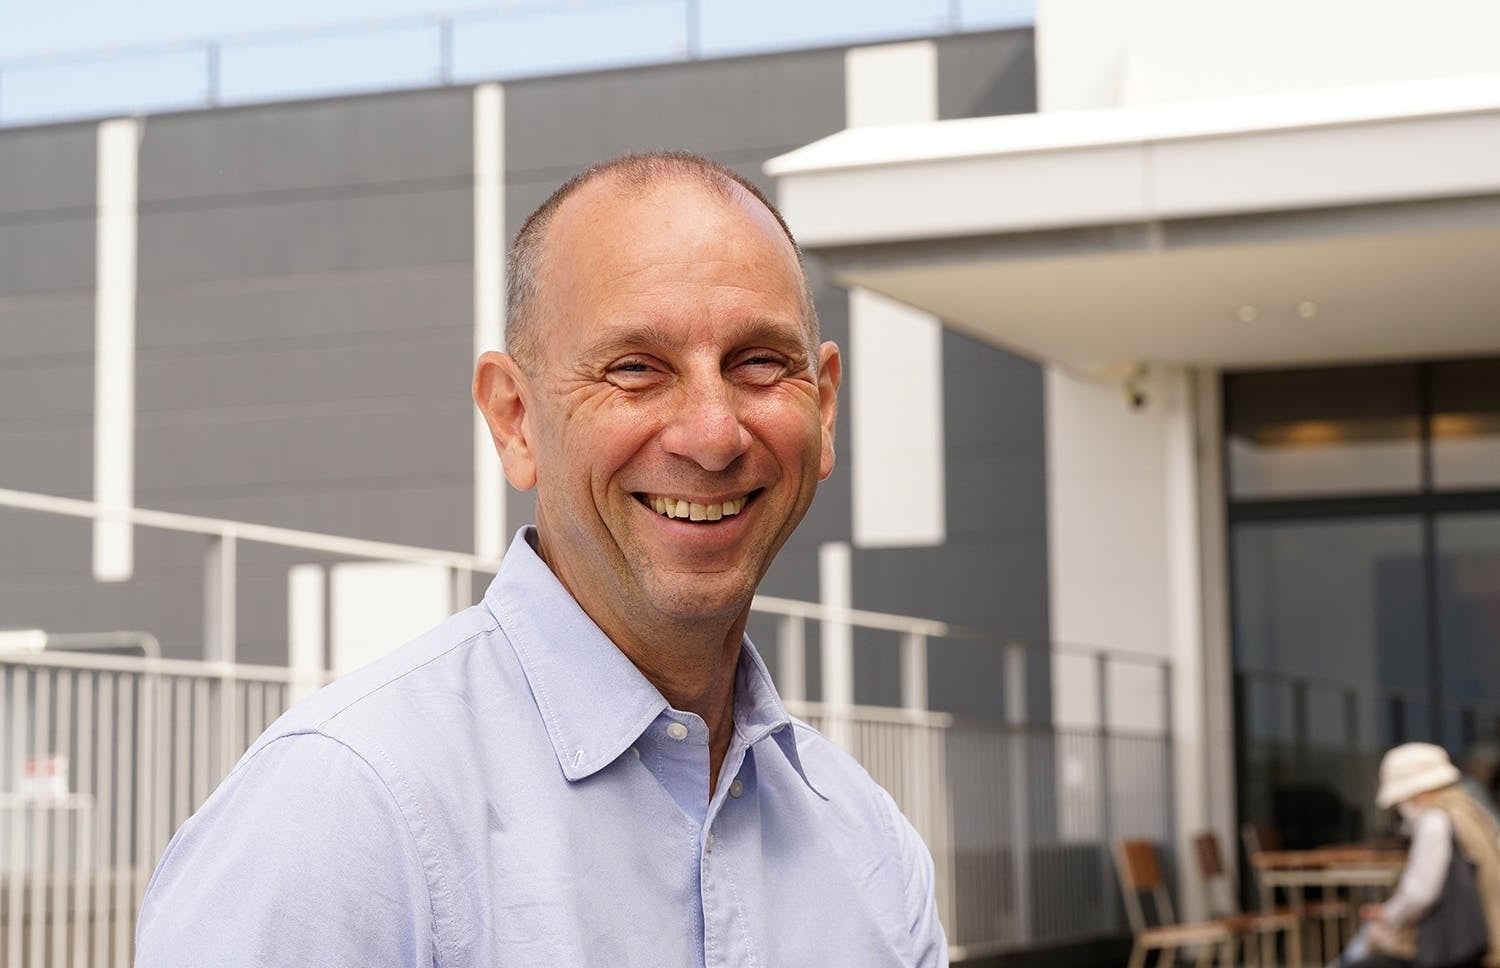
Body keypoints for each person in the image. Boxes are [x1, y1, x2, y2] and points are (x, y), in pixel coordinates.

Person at [134, 151, 948, 967]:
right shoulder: (345, 814)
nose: (713, 435)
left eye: (760, 363)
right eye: (636, 369)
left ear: (824, 406)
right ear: (514, 419)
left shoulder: (870, 850)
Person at [1341, 743, 1500, 968]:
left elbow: (1420, 892)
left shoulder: (1434, 820)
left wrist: (1388, 913)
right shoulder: (1469, 811)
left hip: (1454, 945)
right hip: (1484, 939)